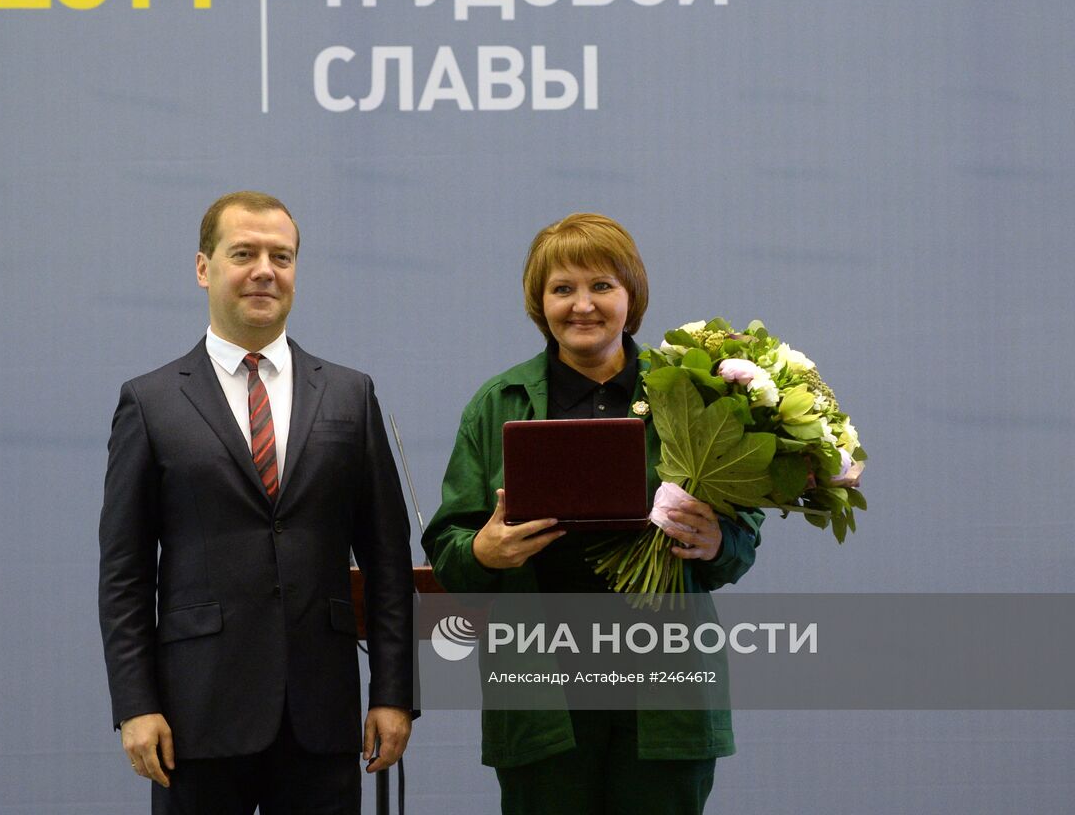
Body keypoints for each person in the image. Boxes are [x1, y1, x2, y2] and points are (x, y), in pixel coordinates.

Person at [421, 213, 763, 815]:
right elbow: (449, 547)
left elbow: (740, 540)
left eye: (602, 286)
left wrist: (716, 541)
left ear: (631, 299)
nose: (583, 305)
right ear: (540, 303)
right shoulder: (497, 403)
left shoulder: (688, 394)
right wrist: (483, 550)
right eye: (563, 289)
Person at [98, 191, 414, 815]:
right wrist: (136, 705)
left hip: (321, 715)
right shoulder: (151, 401)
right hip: (196, 716)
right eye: (244, 253)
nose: (265, 270)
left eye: (282, 256)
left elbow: (387, 561)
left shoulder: (351, 395)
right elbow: (125, 575)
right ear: (203, 267)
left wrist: (394, 693)